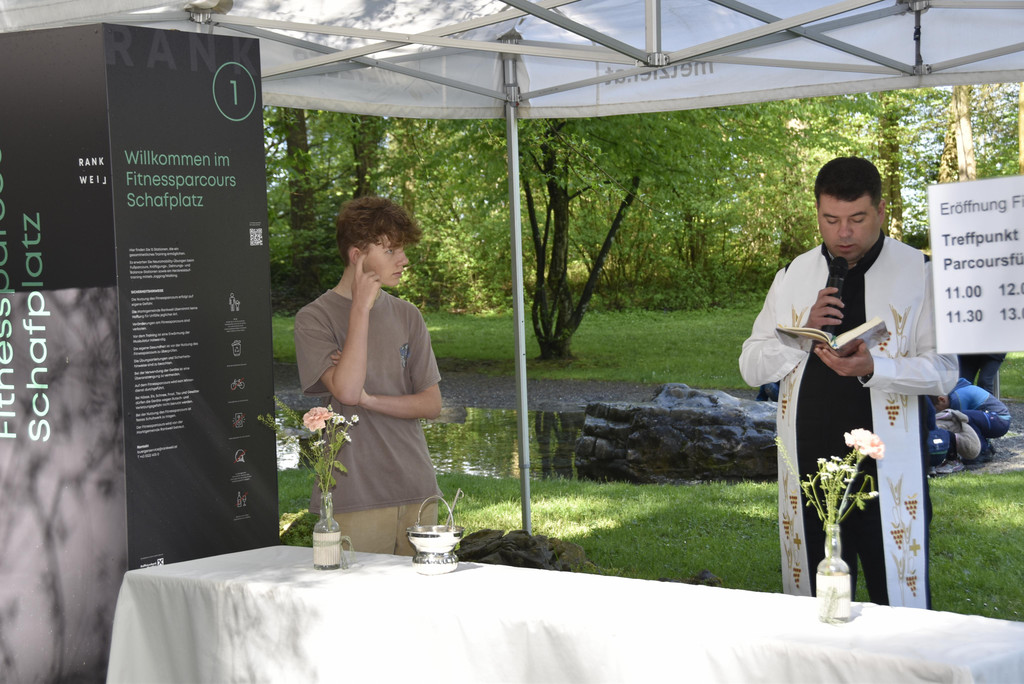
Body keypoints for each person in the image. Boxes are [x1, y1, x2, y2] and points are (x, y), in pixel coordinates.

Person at [739, 156, 958, 609]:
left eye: (857, 219)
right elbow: (751, 367)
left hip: (888, 468)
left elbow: (945, 370)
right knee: (818, 607)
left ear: (881, 210)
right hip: (809, 466)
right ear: (817, 212)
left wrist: (876, 368)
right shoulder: (792, 275)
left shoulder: (920, 273)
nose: (843, 233)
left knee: (897, 603)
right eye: (830, 219)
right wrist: (800, 334)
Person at [294, 196, 442, 556]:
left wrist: (370, 400)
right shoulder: (314, 319)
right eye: (391, 250)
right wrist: (360, 307)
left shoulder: (409, 315)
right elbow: (346, 391)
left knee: (425, 593)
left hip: (419, 490)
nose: (403, 260)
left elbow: (431, 404)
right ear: (357, 256)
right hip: (354, 496)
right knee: (354, 593)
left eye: (402, 249)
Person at [931, 377, 1011, 474]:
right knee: (966, 418)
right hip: (995, 420)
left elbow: (961, 425)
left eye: (937, 408)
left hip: (999, 420)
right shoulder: (954, 391)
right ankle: (986, 447)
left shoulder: (957, 398)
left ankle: (982, 451)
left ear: (942, 399)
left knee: (960, 417)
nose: (938, 411)